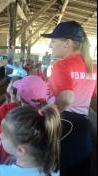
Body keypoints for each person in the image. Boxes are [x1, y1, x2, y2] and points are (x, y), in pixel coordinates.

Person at [41, 20, 97, 176]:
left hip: (64, 126)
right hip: (83, 128)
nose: (50, 45)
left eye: (53, 41)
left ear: (67, 43)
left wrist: (51, 112)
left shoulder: (62, 65)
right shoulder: (91, 67)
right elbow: (93, 98)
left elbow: (67, 98)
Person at [0, 104, 61, 176]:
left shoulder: (1, 172)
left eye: (4, 135)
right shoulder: (56, 170)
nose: (0, 135)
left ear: (20, 150)